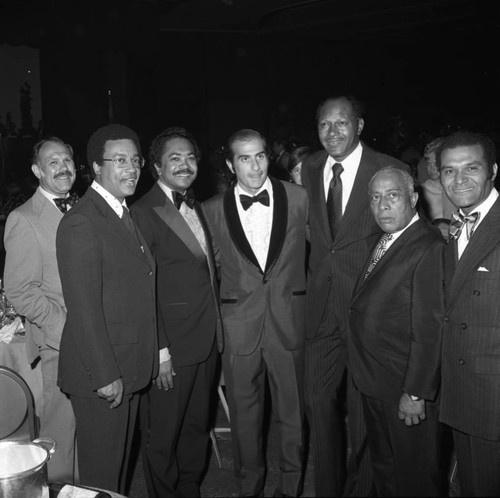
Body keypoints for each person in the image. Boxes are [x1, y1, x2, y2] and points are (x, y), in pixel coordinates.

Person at [301, 93, 411, 497]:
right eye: (324, 124)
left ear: (359, 126)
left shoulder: (390, 169)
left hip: (368, 315)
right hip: (319, 313)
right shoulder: (309, 167)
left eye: (341, 122)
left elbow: (409, 240)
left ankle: (360, 490)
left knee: (364, 416)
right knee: (318, 409)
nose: (332, 132)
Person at [202, 129, 308, 497]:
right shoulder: (211, 210)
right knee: (245, 421)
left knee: (293, 417)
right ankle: (250, 489)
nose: (255, 165)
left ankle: (292, 488)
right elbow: (207, 272)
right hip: (238, 328)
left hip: (289, 322)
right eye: (244, 158)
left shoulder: (298, 198)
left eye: (260, 156)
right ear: (231, 165)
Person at [55, 124, 158, 494]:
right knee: (101, 481)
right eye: (119, 160)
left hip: (126, 365)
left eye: (135, 160)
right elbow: (83, 308)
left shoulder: (120, 213)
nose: (131, 168)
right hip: (102, 375)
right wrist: (104, 374)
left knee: (116, 479)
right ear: (96, 168)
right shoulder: (83, 220)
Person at [131, 127, 223, 497]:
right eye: (174, 158)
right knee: (163, 435)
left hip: (204, 340)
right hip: (171, 347)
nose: (185, 164)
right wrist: (160, 350)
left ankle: (189, 489)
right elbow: (143, 289)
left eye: (190, 157)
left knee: (197, 428)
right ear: (156, 167)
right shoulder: (142, 211)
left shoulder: (194, 204)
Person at [349, 166, 445, 496]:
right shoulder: (387, 238)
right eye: (375, 198)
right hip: (377, 381)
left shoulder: (429, 246)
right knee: (387, 471)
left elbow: (429, 328)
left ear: (414, 198)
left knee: (416, 478)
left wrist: (415, 392)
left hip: (405, 389)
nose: (383, 205)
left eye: (393, 196)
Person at [3, 137, 78, 482]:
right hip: (61, 341)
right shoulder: (23, 218)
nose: (63, 167)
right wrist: (66, 328)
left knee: (92, 432)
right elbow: (20, 291)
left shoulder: (87, 207)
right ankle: (58, 488)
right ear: (36, 171)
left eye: (67, 160)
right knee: (61, 431)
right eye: (53, 162)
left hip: (101, 336)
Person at [438, 130, 500, 496]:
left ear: (493, 169)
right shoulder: (456, 226)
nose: (459, 179)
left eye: (471, 168)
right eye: (448, 171)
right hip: (462, 392)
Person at [419, 137, 455, 237]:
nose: (431, 168)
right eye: (428, 163)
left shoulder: (459, 189)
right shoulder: (421, 191)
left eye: (435, 163)